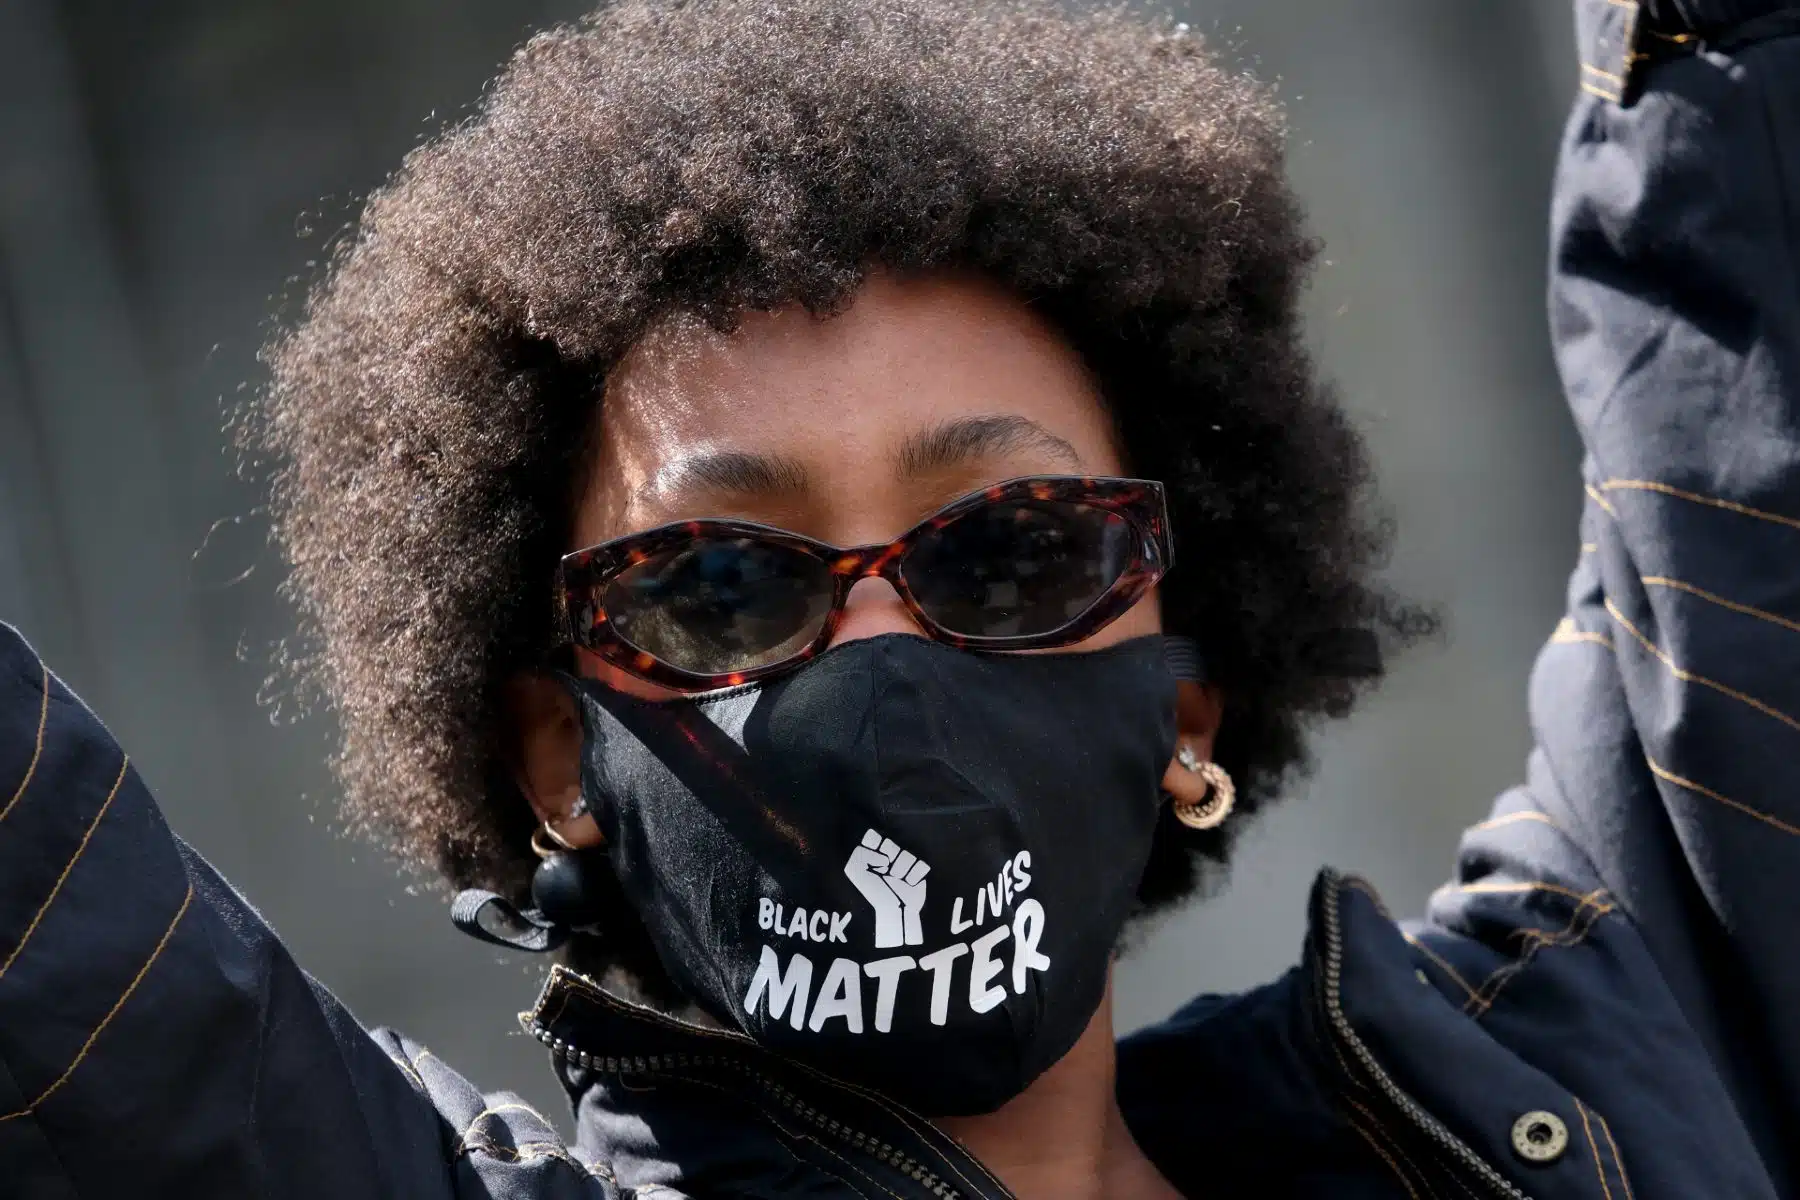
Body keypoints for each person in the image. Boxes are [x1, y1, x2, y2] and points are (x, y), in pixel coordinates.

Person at [1, 0, 1796, 1195]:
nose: (877, 653)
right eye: (716, 587)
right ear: (557, 754)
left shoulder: (1600, 1045)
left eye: (1011, 547)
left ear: (1186, 697)